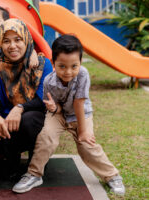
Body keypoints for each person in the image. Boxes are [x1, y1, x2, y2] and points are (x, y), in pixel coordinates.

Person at [12, 34, 125, 196]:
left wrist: (83, 131)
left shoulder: (83, 75)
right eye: (62, 66)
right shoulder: (49, 81)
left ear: (80, 63)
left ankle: (112, 176)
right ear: (54, 64)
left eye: (74, 66)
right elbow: (56, 108)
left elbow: (78, 103)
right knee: (46, 137)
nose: (68, 72)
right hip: (59, 114)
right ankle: (34, 174)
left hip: (80, 114)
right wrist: (53, 107)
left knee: (86, 145)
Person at [0, 18, 53, 179]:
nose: (12, 46)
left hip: (35, 118)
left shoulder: (43, 64)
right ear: (0, 43)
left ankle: (37, 161)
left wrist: (19, 108)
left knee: (28, 120)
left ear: (26, 39)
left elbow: (43, 99)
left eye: (18, 39)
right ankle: (11, 160)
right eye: (6, 41)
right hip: (9, 125)